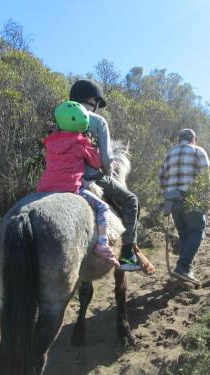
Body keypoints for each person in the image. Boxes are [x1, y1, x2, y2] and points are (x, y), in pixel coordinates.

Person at [69, 79, 142, 272]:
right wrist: (108, 173)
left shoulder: (60, 117)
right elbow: (107, 159)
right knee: (131, 200)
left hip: (62, 177)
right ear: (92, 100)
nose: (98, 107)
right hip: (92, 177)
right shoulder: (97, 121)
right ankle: (127, 255)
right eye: (98, 103)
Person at [36, 100, 120, 268]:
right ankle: (103, 245)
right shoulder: (81, 142)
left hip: (45, 187)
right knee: (103, 208)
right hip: (72, 187)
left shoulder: (50, 141)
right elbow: (96, 163)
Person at [158, 128, 210, 285]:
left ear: (180, 139)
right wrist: (206, 199)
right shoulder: (198, 151)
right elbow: (206, 176)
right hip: (191, 199)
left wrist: (166, 194)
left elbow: (161, 176)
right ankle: (183, 267)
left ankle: (184, 271)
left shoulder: (170, 154)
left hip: (173, 201)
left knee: (184, 234)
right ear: (192, 139)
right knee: (197, 230)